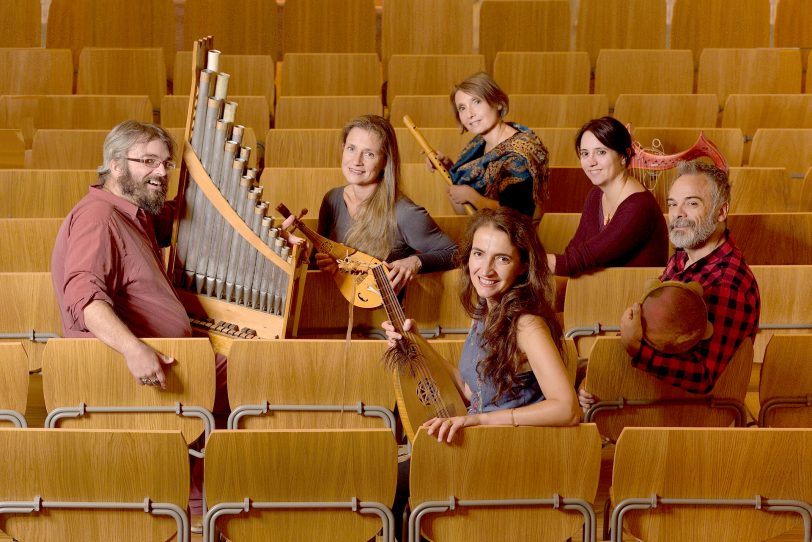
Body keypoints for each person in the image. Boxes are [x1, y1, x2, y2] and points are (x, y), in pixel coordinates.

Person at [50, 120, 227, 519]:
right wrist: (134, 350)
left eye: (165, 163)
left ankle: (199, 498)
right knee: (254, 378)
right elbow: (83, 298)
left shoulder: (136, 211)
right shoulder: (99, 219)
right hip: (129, 367)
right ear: (115, 165)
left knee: (254, 371)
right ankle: (200, 502)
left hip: (167, 353)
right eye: (148, 161)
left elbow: (189, 219)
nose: (162, 173)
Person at [385, 207, 580, 444]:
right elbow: (472, 391)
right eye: (478, 254)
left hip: (512, 449)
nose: (486, 270)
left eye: (502, 258)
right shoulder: (485, 309)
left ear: (522, 266)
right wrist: (417, 341)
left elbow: (567, 409)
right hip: (483, 443)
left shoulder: (528, 325)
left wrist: (481, 421)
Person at [580, 160, 760, 407]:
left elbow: (703, 376)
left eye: (692, 203)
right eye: (673, 204)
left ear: (721, 212)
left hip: (684, 412)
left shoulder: (728, 283)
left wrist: (635, 349)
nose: (678, 214)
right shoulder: (683, 257)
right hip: (651, 395)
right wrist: (601, 374)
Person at [314, 114, 457, 290]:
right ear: (343, 148)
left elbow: (455, 253)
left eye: (369, 154)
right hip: (334, 302)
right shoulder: (331, 198)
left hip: (385, 313)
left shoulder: (404, 212)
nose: (356, 161)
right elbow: (319, 258)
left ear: (385, 160)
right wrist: (323, 261)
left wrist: (415, 261)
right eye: (351, 149)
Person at [548, 116, 668, 277]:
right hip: (603, 290)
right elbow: (574, 250)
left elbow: (581, 259)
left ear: (624, 156)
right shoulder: (596, 195)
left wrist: (529, 262)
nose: (591, 162)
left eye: (601, 152)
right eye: (585, 153)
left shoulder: (639, 207)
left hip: (634, 295)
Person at [430, 72, 549, 218]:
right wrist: (447, 168)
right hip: (484, 231)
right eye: (462, 108)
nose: (470, 114)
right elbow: (461, 210)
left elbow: (516, 216)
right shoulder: (478, 144)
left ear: (498, 103)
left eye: (477, 101)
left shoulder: (519, 155)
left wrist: (472, 196)